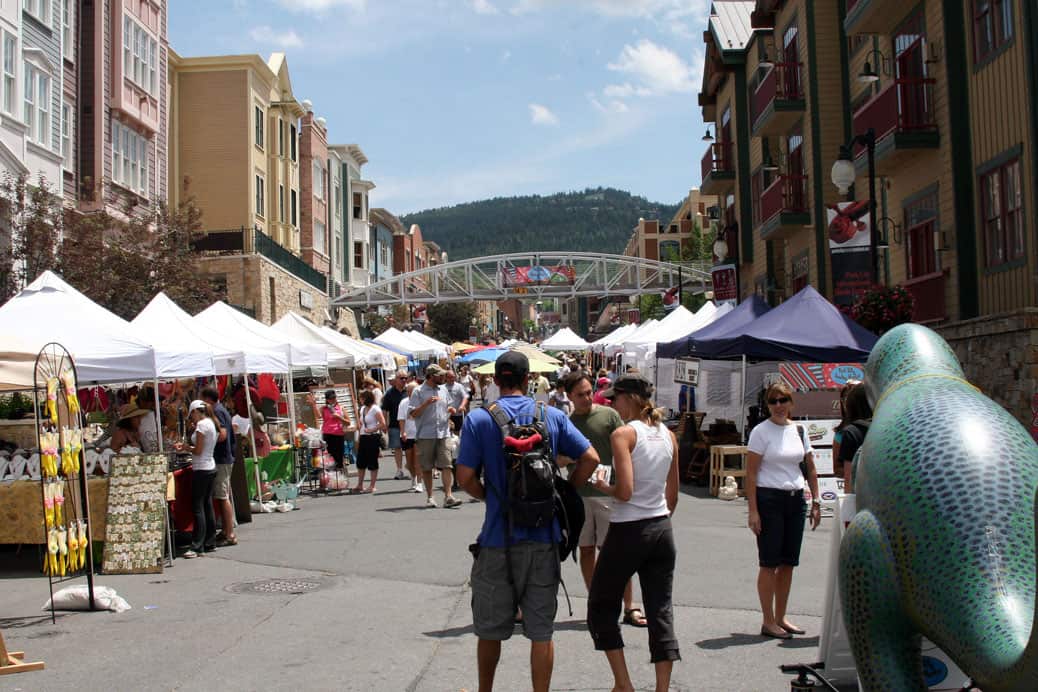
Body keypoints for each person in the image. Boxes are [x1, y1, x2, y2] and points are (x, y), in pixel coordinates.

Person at [456, 352, 599, 692]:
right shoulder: (550, 415)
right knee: (541, 632)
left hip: (496, 538)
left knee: (490, 630)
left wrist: (490, 497)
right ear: (527, 379)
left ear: (495, 380)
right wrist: (564, 490)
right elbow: (590, 458)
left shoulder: (478, 420)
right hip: (543, 537)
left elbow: (464, 477)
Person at [586, 373, 681, 691]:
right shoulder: (668, 434)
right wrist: (658, 513)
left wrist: (603, 486)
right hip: (661, 526)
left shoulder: (624, 434)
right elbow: (673, 494)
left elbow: (624, 491)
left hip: (629, 528)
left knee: (601, 604)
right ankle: (662, 688)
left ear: (630, 399)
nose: (613, 404)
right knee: (660, 609)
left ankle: (623, 683)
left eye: (615, 398)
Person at [562, 373, 646, 628]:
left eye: (589, 392)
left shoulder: (609, 416)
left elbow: (629, 445)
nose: (587, 398)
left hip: (609, 493)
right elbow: (560, 457)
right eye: (581, 395)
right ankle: (595, 602)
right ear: (569, 397)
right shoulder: (567, 423)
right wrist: (567, 459)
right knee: (586, 550)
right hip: (580, 495)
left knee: (615, 552)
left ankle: (629, 605)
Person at [745, 381, 821, 640]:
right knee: (769, 563)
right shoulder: (760, 432)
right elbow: (751, 473)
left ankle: (781, 616)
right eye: (773, 401)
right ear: (767, 405)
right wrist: (753, 511)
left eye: (782, 400)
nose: (778, 406)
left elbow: (810, 467)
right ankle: (768, 620)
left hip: (795, 499)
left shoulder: (799, 430)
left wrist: (817, 501)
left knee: (788, 563)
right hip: (769, 500)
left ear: (791, 403)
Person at [409, 364, 460, 508]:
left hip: (443, 432)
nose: (443, 377)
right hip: (426, 434)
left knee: (447, 465)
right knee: (427, 467)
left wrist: (450, 409)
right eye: (440, 375)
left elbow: (448, 405)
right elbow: (413, 414)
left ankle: (448, 496)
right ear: (431, 376)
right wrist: (425, 404)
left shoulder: (443, 389)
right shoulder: (418, 391)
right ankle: (430, 497)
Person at [177, 400, 221, 559]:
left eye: (192, 414)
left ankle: (197, 546)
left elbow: (198, 450)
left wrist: (186, 447)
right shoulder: (211, 423)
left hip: (202, 468)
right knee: (207, 505)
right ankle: (210, 541)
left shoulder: (202, 425)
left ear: (196, 411)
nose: (192, 418)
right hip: (209, 466)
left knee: (198, 507)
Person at [201, 387, 237, 547]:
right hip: (224, 458)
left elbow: (222, 435)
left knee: (223, 497)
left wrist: (207, 441)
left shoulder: (217, 411)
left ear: (208, 399)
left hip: (222, 458)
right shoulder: (219, 410)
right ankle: (225, 531)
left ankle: (229, 533)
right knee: (222, 495)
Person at [836, 382, 872, 493]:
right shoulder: (885, 427)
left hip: (860, 496)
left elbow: (849, 478)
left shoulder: (851, 432)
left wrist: (848, 504)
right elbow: (838, 469)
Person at [309, 390, 353, 470]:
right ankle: (331, 477)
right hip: (327, 435)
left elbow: (348, 422)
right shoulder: (324, 408)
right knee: (329, 458)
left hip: (338, 435)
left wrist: (339, 417)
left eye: (334, 398)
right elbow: (318, 416)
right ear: (327, 400)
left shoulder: (341, 408)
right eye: (330, 399)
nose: (333, 400)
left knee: (339, 457)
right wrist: (314, 404)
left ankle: (339, 476)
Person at [354, 389, 386, 494]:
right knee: (361, 461)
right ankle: (360, 484)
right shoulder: (362, 409)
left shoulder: (375, 409)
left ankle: (372, 485)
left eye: (361, 398)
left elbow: (382, 423)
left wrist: (371, 429)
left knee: (372, 461)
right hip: (363, 436)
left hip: (372, 437)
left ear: (366, 398)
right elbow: (361, 422)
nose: (360, 400)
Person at [382, 371, 409, 481]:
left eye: (405, 378)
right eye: (401, 378)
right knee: (397, 448)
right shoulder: (389, 393)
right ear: (396, 379)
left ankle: (411, 468)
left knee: (409, 448)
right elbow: (385, 409)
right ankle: (399, 470)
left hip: (409, 425)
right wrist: (384, 424)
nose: (404, 380)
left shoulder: (409, 391)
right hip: (394, 424)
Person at [397, 381, 423, 493]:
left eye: (411, 391)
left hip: (419, 434)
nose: (409, 393)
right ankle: (413, 479)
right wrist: (403, 432)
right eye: (408, 391)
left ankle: (420, 483)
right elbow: (401, 418)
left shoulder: (422, 401)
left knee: (418, 461)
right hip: (407, 435)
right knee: (409, 461)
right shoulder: (403, 402)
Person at [444, 369, 470, 437]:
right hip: (447, 414)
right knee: (447, 432)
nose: (452, 379)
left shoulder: (459, 386)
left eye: (453, 377)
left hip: (457, 414)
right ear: (446, 378)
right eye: (449, 377)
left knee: (456, 432)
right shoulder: (443, 387)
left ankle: (455, 445)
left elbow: (465, 397)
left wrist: (462, 405)